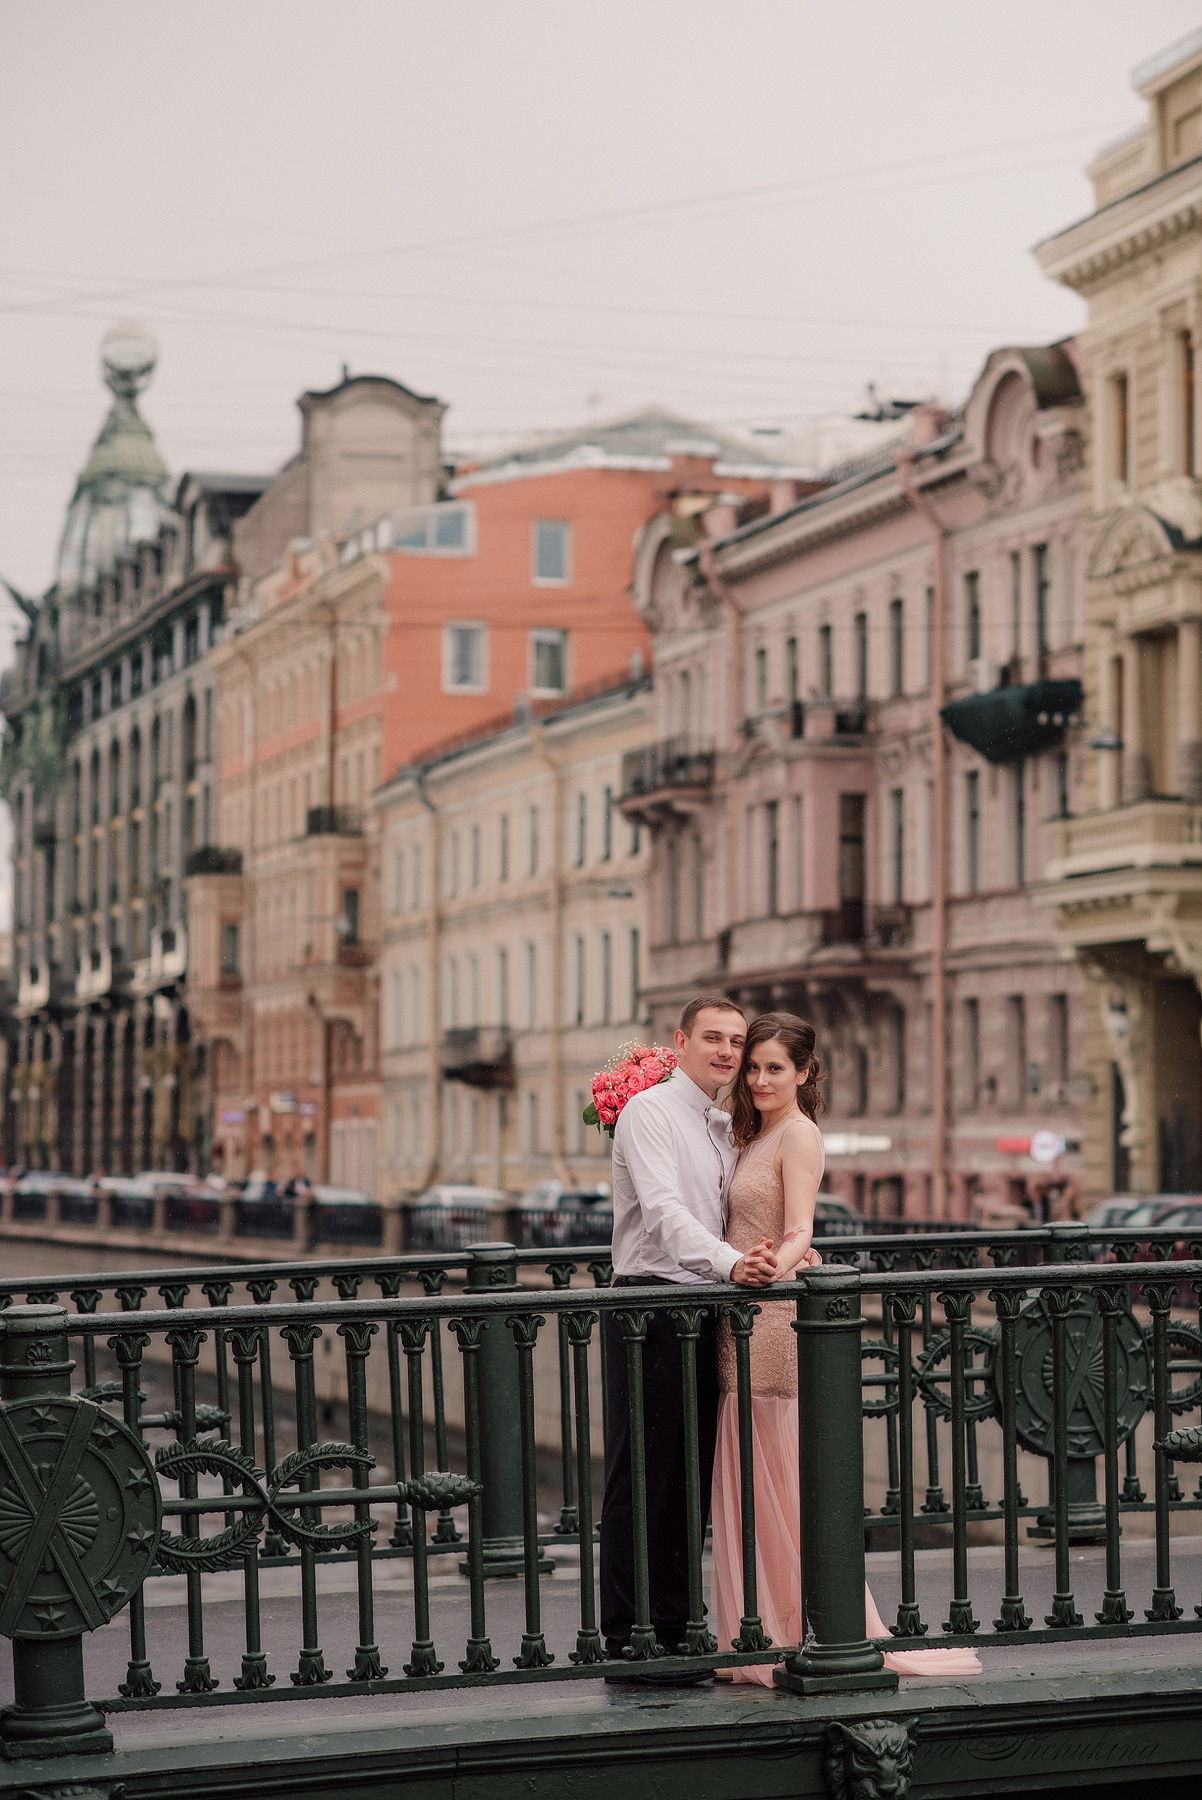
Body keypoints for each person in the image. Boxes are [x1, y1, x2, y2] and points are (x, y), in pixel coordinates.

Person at [710, 1011, 981, 1683]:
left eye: (776, 1067)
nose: (762, 1078)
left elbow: (801, 1226)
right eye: (754, 1067)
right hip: (738, 1314)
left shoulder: (798, 1135)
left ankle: (792, 1629)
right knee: (748, 1473)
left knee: (775, 1473)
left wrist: (780, 1265)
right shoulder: (753, 1132)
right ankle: (755, 1628)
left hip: (771, 1314)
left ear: (804, 1072)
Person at [600, 995, 776, 1684]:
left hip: (702, 1306)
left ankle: (676, 1625)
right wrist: (733, 1265)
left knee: (687, 1476)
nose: (728, 1052)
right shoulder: (649, 1114)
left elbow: (727, 1213)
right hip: (650, 1306)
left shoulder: (722, 1123)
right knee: (641, 1476)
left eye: (736, 1040)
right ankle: (630, 1636)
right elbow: (668, 1214)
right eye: (713, 1038)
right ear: (680, 1042)